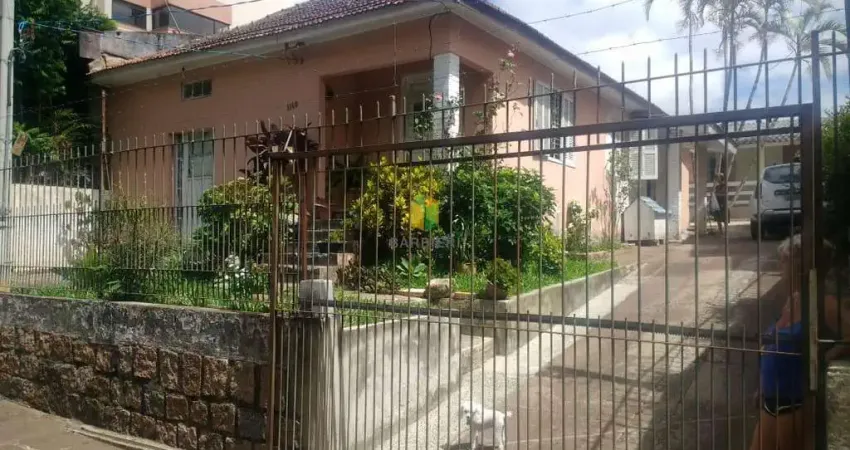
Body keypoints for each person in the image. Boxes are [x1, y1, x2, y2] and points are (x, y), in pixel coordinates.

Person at [748, 235, 848, 450]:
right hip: (769, 401)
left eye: (785, 261)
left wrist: (824, 359)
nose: (780, 268)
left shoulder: (824, 303)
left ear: (800, 267)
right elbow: (774, 343)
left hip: (794, 406)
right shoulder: (793, 299)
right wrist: (762, 386)